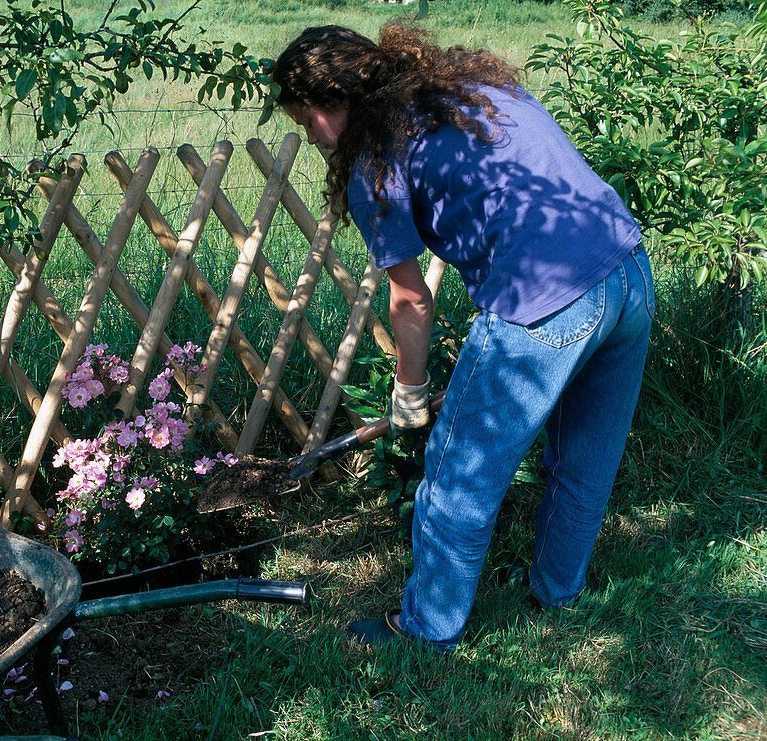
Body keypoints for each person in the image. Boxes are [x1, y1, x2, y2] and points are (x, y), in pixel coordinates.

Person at [271, 23, 654, 651]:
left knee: (458, 473)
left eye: (306, 118)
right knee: (586, 459)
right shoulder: (471, 88)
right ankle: (559, 595)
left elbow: (410, 297)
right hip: (626, 269)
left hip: (543, 300)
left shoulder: (375, 162)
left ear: (333, 102)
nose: (308, 134)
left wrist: (410, 394)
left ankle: (426, 629)